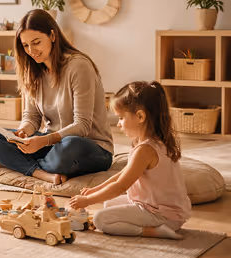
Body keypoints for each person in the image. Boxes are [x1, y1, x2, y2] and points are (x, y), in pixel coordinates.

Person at [0, 9, 114, 185]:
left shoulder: (78, 66)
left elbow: (82, 126)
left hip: (90, 147)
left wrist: (44, 140)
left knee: (69, 147)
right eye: (25, 46)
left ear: (52, 36)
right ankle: (40, 172)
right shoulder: (34, 70)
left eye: (36, 43)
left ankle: (14, 163)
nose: (31, 51)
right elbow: (32, 117)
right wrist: (23, 132)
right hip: (50, 145)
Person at [70, 81, 190, 239]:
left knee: (101, 219)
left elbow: (120, 186)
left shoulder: (145, 150)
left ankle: (154, 231)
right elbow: (122, 175)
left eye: (121, 117)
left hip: (162, 215)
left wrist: (88, 200)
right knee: (109, 204)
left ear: (140, 116)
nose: (118, 123)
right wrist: (95, 190)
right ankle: (151, 225)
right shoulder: (154, 143)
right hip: (163, 209)